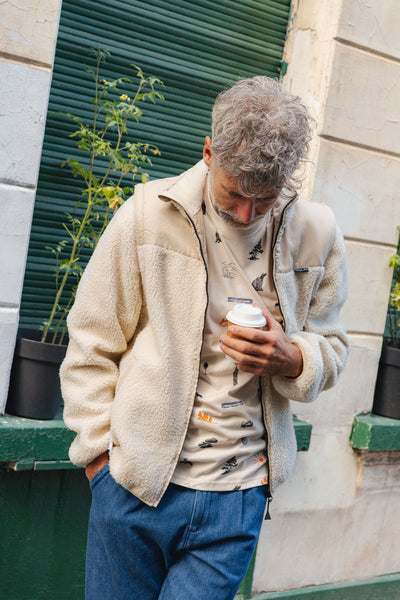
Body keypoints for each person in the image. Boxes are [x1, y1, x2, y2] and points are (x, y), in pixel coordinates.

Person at [60, 76, 349, 600]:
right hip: (134, 487)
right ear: (209, 153)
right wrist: (100, 463)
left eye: (265, 201)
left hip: (237, 500)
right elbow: (91, 344)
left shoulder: (317, 232)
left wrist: (293, 358)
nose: (247, 215)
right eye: (235, 194)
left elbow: (334, 346)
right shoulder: (147, 215)